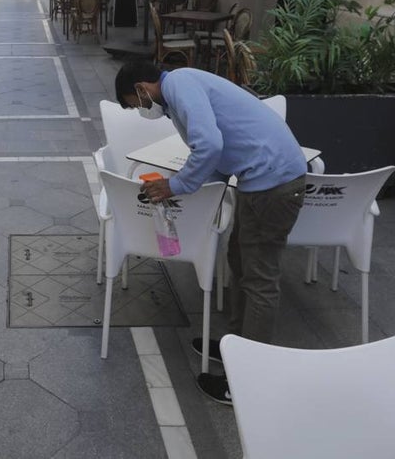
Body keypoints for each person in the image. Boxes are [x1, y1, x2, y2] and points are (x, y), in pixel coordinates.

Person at [114, 61, 307, 406]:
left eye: (135, 102)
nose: (140, 108)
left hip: (274, 183)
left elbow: (210, 145)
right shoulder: (178, 94)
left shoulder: (180, 85)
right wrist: (190, 193)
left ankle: (248, 381)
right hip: (259, 179)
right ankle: (236, 343)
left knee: (259, 277)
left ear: (142, 87)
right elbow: (217, 156)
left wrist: (176, 186)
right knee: (238, 260)